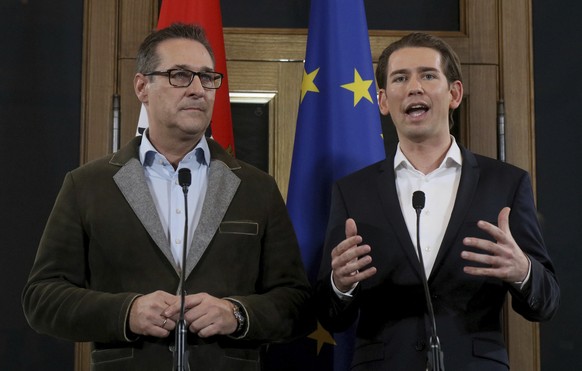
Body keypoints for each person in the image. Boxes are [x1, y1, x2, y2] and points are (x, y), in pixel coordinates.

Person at [22, 23, 313, 371]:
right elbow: (41, 298)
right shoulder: (88, 185)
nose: (197, 90)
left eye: (207, 77)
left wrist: (237, 314)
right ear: (142, 86)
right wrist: (126, 312)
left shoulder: (257, 188)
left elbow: (298, 304)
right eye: (179, 75)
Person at [314, 32, 560, 371]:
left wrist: (523, 271)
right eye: (400, 78)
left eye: (428, 75)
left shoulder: (506, 183)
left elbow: (546, 304)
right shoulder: (353, 191)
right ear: (383, 101)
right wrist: (339, 285)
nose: (415, 87)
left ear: (454, 93)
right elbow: (330, 315)